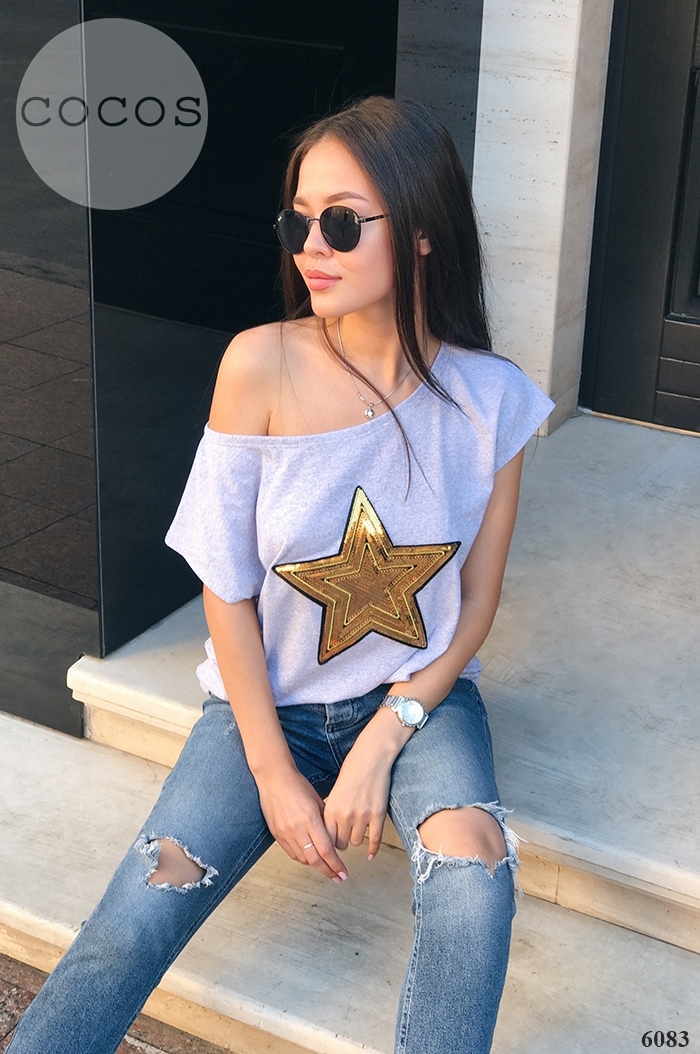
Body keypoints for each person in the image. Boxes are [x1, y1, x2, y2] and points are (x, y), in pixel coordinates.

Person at [9, 95, 554, 1054]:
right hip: (266, 706)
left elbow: (476, 604)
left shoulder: (492, 401)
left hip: (417, 698)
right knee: (139, 911)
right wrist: (273, 772)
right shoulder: (258, 366)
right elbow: (225, 588)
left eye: (340, 222)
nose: (311, 247)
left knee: (474, 884)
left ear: (422, 230)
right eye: (297, 221)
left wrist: (386, 735)